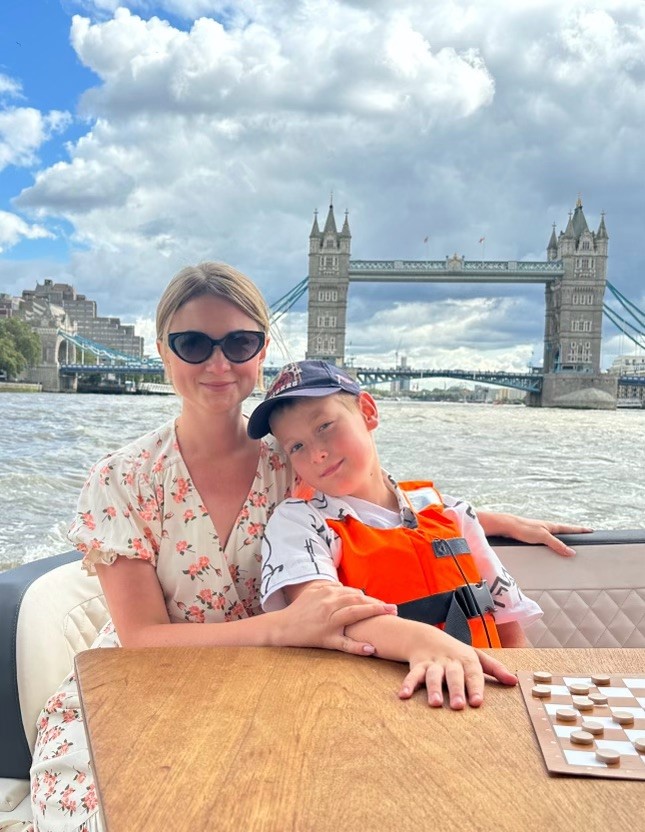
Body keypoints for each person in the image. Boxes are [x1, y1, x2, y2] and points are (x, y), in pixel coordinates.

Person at [28, 263, 589, 832]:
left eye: (239, 342)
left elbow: (383, 505)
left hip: (282, 678)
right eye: (193, 343)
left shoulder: (293, 460)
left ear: (262, 349)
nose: (218, 363)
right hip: (153, 683)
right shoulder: (122, 478)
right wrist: (283, 627)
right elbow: (142, 638)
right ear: (162, 351)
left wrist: (487, 520)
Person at [247, 359, 544, 709]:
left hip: (485, 695)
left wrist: (535, 698)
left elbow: (508, 626)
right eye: (296, 446)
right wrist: (423, 641)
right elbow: (321, 610)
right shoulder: (299, 521)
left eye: (325, 426)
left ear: (368, 412)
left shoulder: (452, 513)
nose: (317, 453)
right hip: (379, 704)